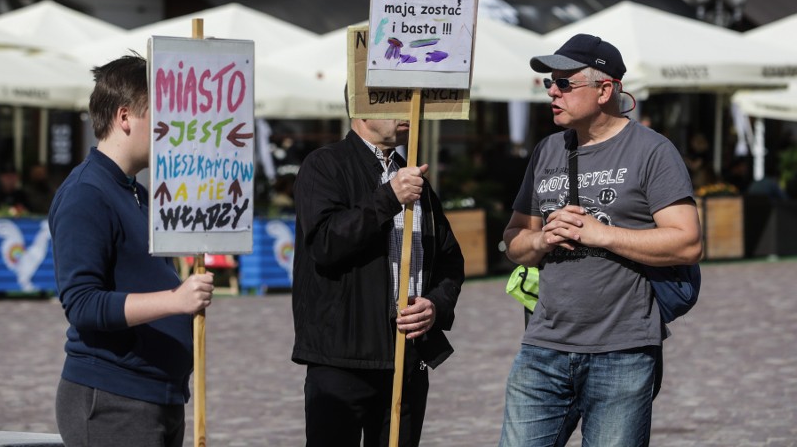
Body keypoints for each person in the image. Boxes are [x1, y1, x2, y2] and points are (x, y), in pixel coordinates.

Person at [499, 34, 703, 447]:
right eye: (549, 84)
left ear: (605, 89)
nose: (552, 92)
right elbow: (512, 241)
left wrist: (601, 234)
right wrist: (540, 241)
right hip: (543, 347)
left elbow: (687, 243)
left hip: (623, 350)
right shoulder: (546, 151)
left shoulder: (652, 151)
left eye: (564, 83)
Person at [49, 55, 215, 447]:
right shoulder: (85, 194)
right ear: (125, 117)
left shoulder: (136, 192)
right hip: (113, 400)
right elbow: (83, 304)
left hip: (156, 393)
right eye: (160, 118)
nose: (169, 129)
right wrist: (175, 301)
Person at [291, 91, 465, 447]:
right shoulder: (325, 165)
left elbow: (450, 262)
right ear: (361, 108)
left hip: (407, 357)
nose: (408, 111)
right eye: (395, 100)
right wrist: (389, 197)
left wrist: (434, 305)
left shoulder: (413, 175)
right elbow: (325, 244)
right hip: (342, 359)